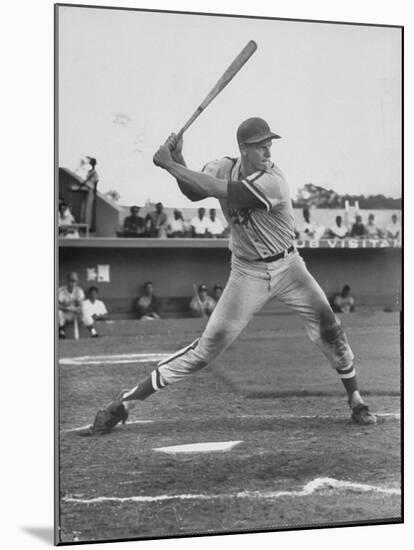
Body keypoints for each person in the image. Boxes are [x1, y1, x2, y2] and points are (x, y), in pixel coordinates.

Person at [81, 116, 376, 436]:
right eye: (260, 145)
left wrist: (169, 164)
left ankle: (356, 400)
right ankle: (124, 405)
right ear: (243, 149)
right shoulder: (222, 166)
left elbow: (215, 189)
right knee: (206, 349)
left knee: (330, 329)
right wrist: (178, 161)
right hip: (247, 271)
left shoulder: (273, 181)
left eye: (269, 143)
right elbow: (195, 193)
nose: (268, 149)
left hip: (290, 267)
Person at [71, 156, 99, 232]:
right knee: (84, 209)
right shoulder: (89, 172)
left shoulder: (95, 173)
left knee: (88, 209)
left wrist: (95, 192)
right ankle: (83, 226)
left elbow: (95, 183)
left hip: (90, 191)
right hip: (86, 190)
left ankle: (88, 226)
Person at [58, 272, 84, 339]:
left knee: (85, 311)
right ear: (67, 280)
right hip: (65, 313)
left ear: (77, 282)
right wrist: (66, 308)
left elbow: (81, 306)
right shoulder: (60, 290)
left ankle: (92, 331)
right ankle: (61, 331)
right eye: (71, 280)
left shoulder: (79, 291)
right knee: (58, 313)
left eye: (74, 281)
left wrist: (76, 309)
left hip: (76, 314)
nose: (72, 283)